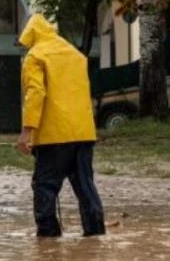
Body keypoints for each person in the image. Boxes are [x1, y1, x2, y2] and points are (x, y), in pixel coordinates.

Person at [16, 14, 105, 237]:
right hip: (83, 133)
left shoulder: (35, 56)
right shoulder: (75, 55)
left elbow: (35, 94)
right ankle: (95, 235)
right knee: (85, 187)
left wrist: (27, 132)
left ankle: (48, 239)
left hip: (54, 136)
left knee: (45, 186)